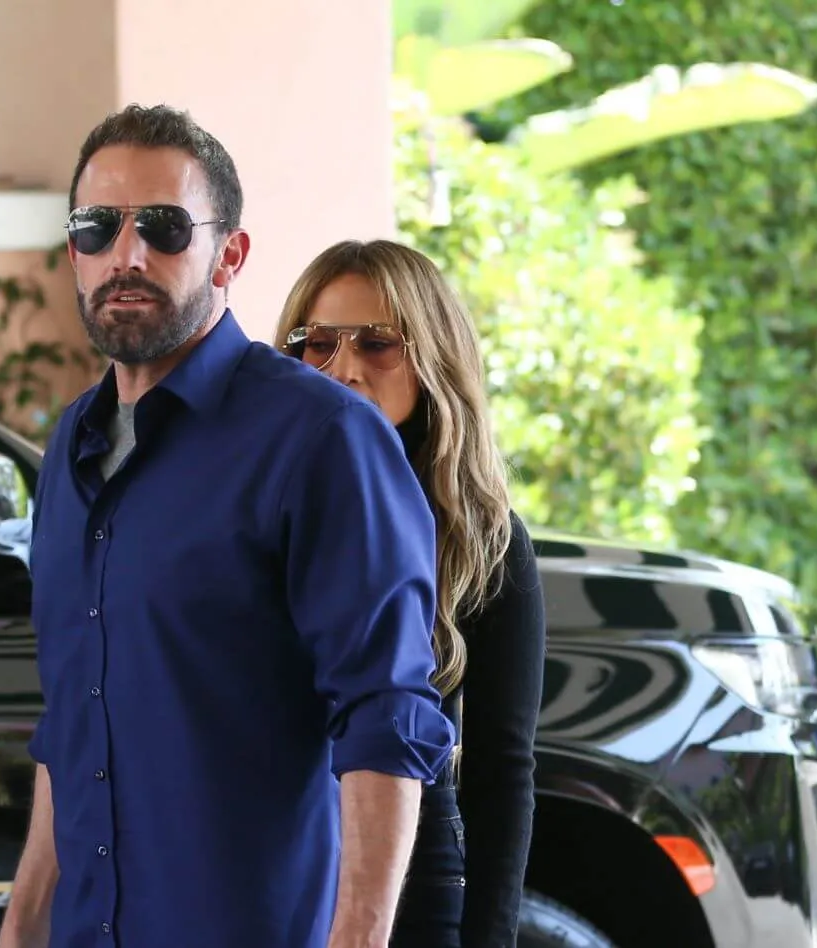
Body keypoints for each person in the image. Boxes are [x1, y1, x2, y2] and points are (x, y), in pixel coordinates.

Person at [0, 105, 456, 948]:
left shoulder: (322, 438)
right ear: (74, 251)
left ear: (230, 255)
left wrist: (357, 940)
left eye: (165, 227)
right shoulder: (69, 447)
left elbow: (385, 720)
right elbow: (72, 723)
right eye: (98, 227)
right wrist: (21, 928)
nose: (127, 254)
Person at [274, 239, 546, 948]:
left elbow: (502, 772)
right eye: (320, 343)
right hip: (266, 876)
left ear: (432, 359)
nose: (344, 369)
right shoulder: (250, 513)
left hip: (413, 894)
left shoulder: (484, 538)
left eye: (377, 344)